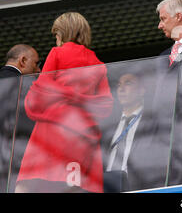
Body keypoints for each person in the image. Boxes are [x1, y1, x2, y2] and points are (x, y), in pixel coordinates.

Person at [15, 12, 113, 193]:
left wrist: (46, 109)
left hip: (51, 134)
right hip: (82, 138)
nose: (56, 41)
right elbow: (105, 106)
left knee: (27, 186)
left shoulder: (57, 53)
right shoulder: (98, 63)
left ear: (62, 34)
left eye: (56, 36)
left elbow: (38, 96)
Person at [103, 72, 170, 192]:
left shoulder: (154, 124)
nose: (121, 89)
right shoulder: (107, 128)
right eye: (118, 85)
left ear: (141, 91)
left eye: (128, 83)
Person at [0, 44, 40, 193]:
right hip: (13, 158)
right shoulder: (25, 85)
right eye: (36, 64)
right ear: (23, 61)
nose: (38, 70)